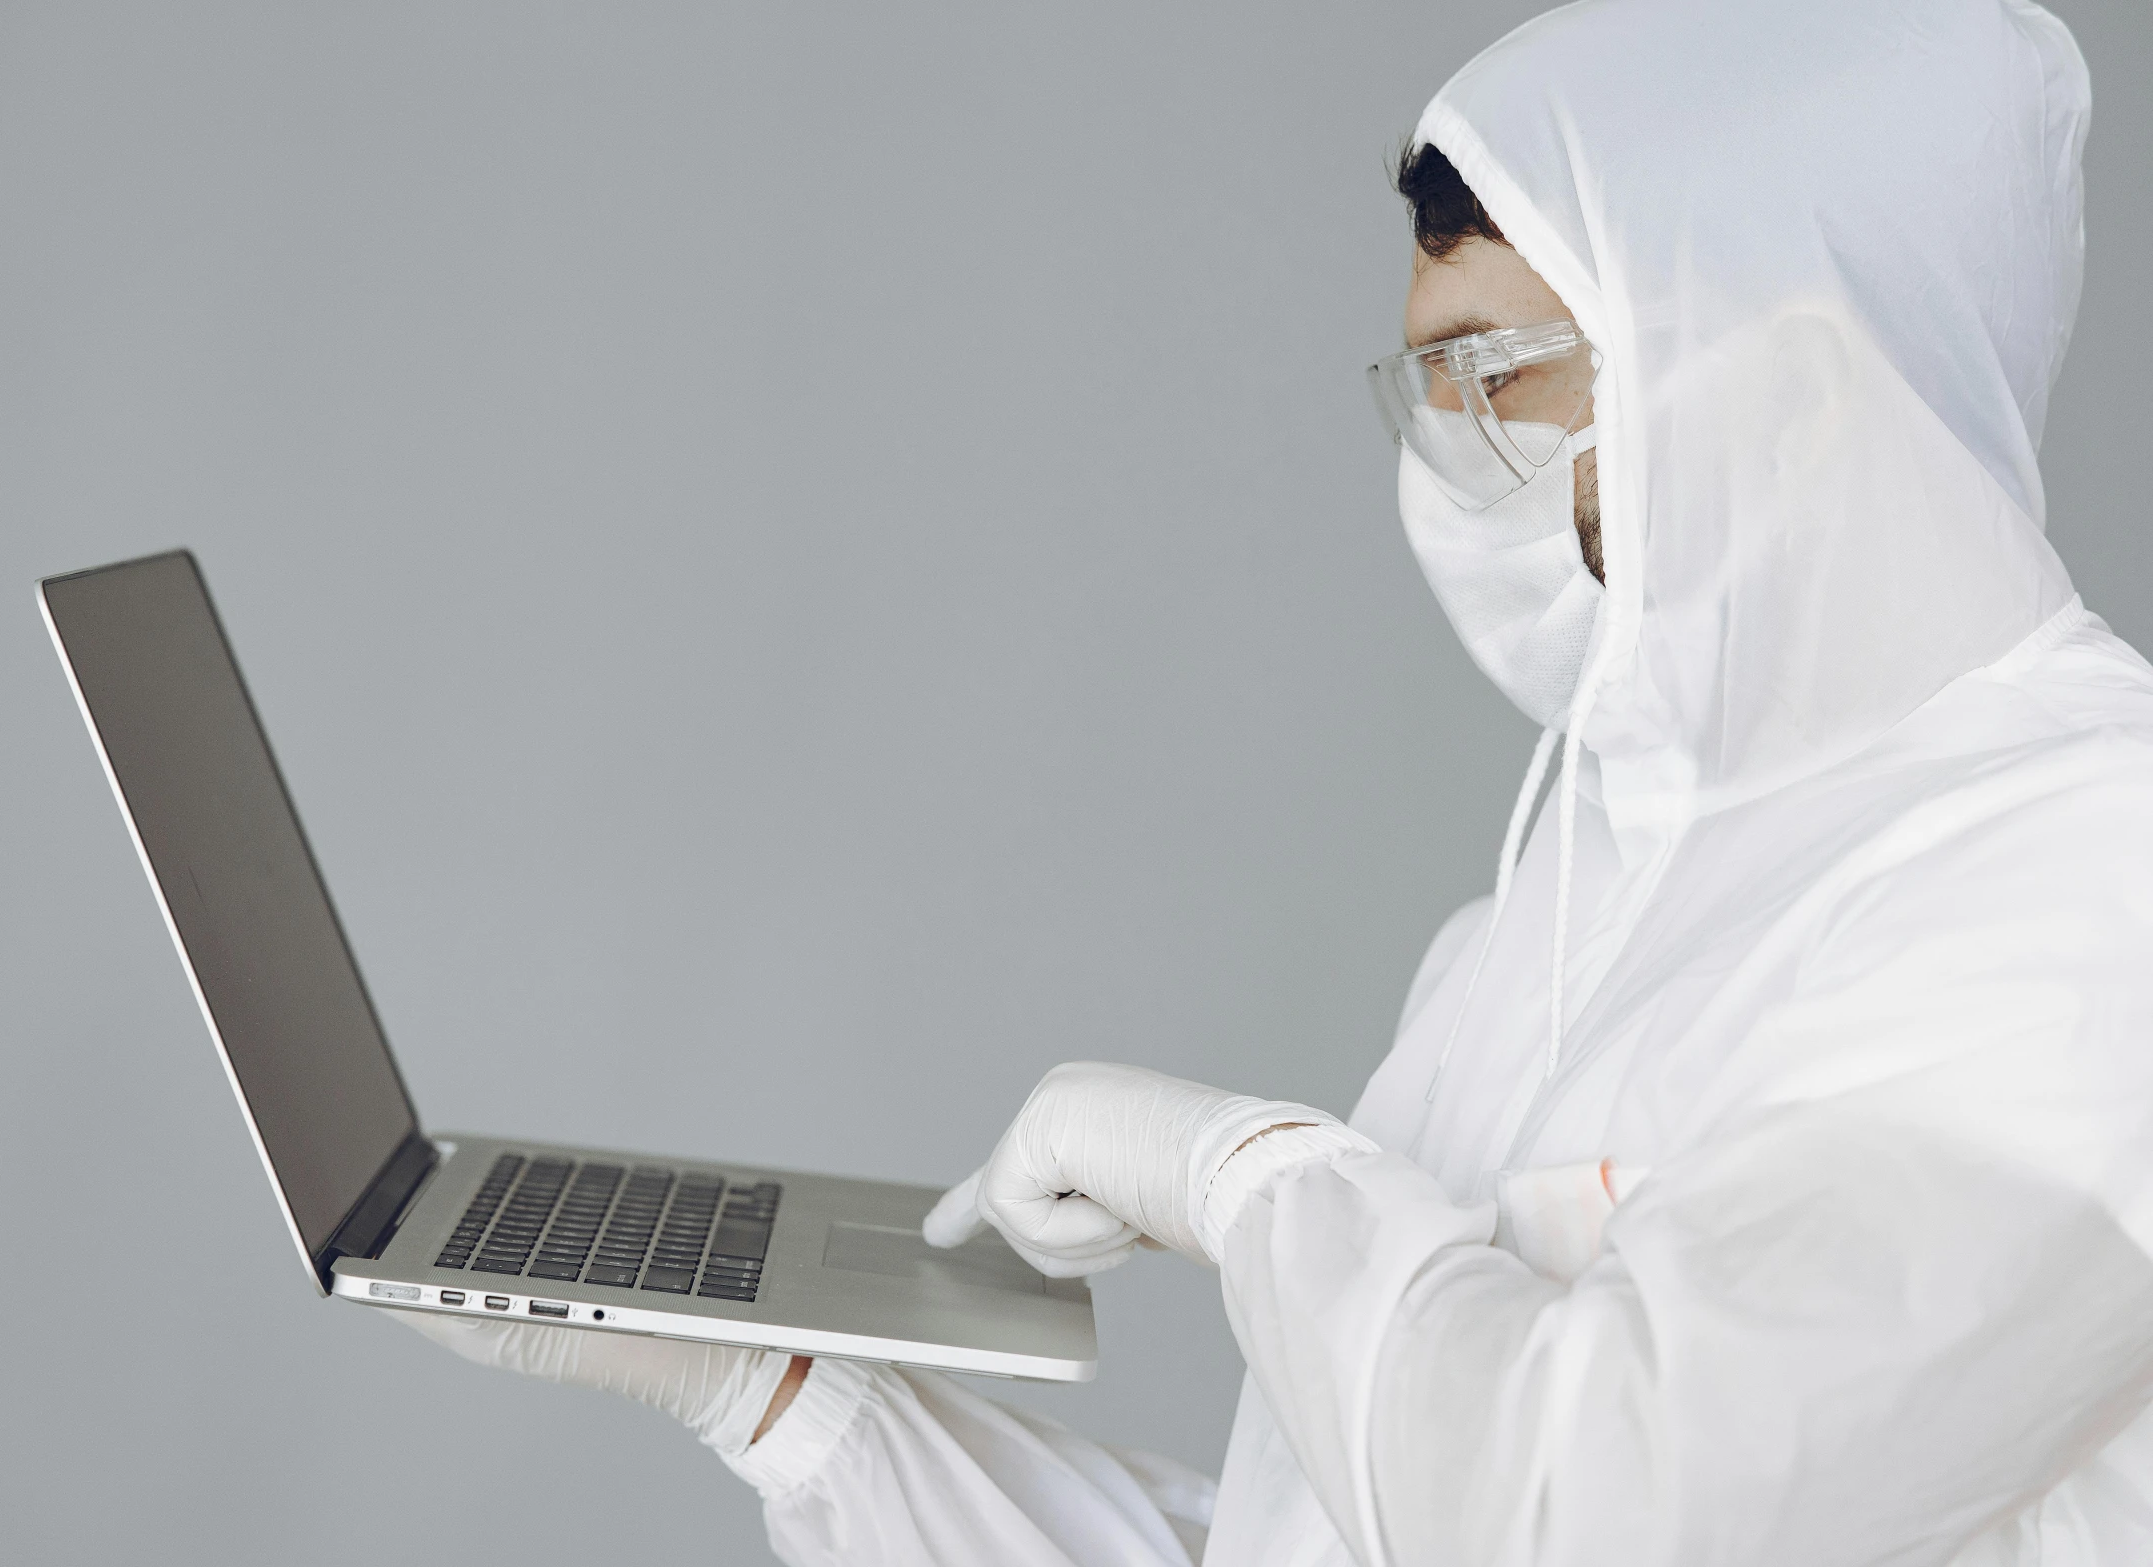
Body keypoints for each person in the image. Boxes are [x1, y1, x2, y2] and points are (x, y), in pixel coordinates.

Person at [404, 0, 2153, 1560]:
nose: (1450, 466)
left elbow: (1596, 1513)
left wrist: (1251, 1182)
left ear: (1789, 388)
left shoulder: (2085, 875)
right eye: (1427, 386)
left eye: (1501, 377)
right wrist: (789, 1401)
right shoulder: (1554, 909)